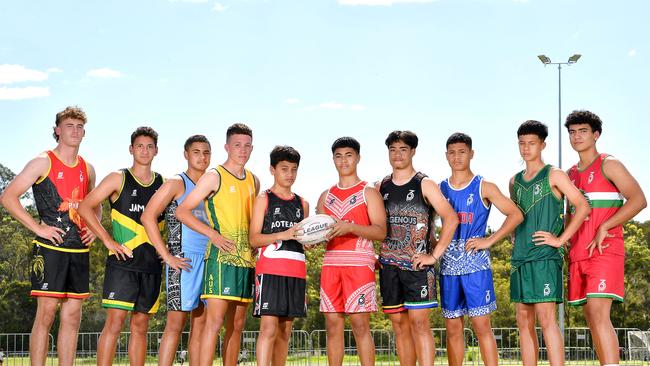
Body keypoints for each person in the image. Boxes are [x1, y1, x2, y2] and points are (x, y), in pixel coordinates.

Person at [0, 106, 97, 366]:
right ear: (57, 130)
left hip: (79, 251)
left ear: (84, 132)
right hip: (49, 248)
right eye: (69, 126)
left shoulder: (88, 168)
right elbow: (8, 197)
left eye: (79, 126)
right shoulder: (43, 161)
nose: (74, 130)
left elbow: (94, 204)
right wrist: (38, 228)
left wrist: (94, 230)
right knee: (46, 315)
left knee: (73, 316)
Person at [565, 110, 647, 366]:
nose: (576, 136)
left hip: (605, 249)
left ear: (596, 134)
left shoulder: (609, 164)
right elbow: (571, 215)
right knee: (591, 315)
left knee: (600, 314)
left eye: (583, 131)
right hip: (579, 252)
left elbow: (639, 200)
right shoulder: (570, 174)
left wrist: (606, 226)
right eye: (572, 132)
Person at [78, 127, 164, 366]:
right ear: (131, 149)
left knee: (140, 325)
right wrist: (107, 240)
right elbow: (85, 207)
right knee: (114, 323)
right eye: (140, 146)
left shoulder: (162, 183)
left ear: (156, 150)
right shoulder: (118, 178)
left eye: (149, 146)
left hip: (151, 266)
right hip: (123, 265)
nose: (145, 151)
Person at [176, 123, 259, 366]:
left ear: (251, 148)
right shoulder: (215, 176)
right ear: (227, 147)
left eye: (246, 145)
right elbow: (183, 211)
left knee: (237, 326)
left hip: (245, 260)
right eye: (237, 145)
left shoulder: (254, 180)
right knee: (213, 324)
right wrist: (212, 234)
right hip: (221, 260)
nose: (242, 150)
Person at [438, 132, 523, 366]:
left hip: (476, 265)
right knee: (453, 327)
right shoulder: (439, 189)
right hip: (448, 266)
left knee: (481, 325)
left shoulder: (484, 186)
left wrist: (490, 240)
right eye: (452, 152)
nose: (457, 157)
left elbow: (515, 214)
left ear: (471, 154)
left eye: (462, 152)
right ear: (446, 156)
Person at [509, 120, 590, 366]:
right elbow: (517, 216)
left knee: (546, 318)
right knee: (523, 319)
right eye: (522, 143)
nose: (526, 148)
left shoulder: (554, 174)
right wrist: (514, 236)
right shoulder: (514, 181)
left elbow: (583, 206)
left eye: (531, 143)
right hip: (520, 257)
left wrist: (560, 239)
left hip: (545, 257)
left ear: (542, 145)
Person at [377, 130, 458, 366]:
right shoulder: (381, 186)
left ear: (413, 151)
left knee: (419, 324)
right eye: (393, 150)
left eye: (403, 149)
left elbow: (451, 219)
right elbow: (374, 224)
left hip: (417, 266)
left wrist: (434, 255)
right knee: (399, 327)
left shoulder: (425, 183)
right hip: (389, 266)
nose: (397, 155)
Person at [141, 135, 212, 366]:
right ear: (186, 154)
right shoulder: (176, 183)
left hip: (210, 258)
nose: (202, 157)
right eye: (196, 152)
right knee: (175, 324)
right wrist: (167, 256)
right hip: (184, 260)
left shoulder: (212, 186)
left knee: (201, 324)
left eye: (206, 152)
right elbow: (148, 217)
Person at [316, 136, 387, 366]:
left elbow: (380, 232)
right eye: (338, 156)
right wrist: (311, 240)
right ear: (333, 160)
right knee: (333, 326)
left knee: (360, 325)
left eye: (348, 155)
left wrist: (350, 227)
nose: (343, 160)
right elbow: (320, 234)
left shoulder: (369, 192)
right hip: (331, 264)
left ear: (358, 157)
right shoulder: (325, 196)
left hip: (359, 264)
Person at [249, 146, 309, 366]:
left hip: (296, 271)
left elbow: (303, 239)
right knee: (269, 329)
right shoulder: (264, 199)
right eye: (284, 169)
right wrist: (283, 234)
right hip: (270, 271)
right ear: (272, 169)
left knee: (285, 331)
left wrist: (311, 241)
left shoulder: (303, 203)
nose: (289, 174)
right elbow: (254, 239)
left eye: (294, 169)